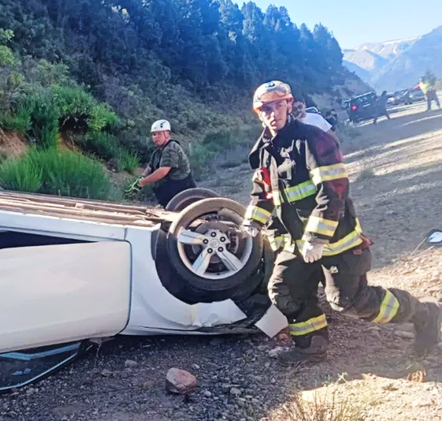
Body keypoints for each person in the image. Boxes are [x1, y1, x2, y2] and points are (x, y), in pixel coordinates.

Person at [242, 80, 442, 364]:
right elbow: (263, 192)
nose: (273, 113)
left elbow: (333, 189)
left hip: (334, 239)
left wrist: (318, 237)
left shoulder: (313, 140)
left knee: (349, 301)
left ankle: (425, 313)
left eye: (278, 105)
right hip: (296, 244)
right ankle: (311, 346)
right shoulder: (264, 150)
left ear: (289, 104)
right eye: (266, 108)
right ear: (258, 113)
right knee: (285, 289)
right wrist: (253, 221)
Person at [126, 120, 195, 207]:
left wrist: (143, 182)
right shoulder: (157, 152)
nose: (156, 137)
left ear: (166, 134)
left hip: (182, 195)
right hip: (170, 196)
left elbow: (162, 171)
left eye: (159, 134)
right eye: (154, 134)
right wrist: (141, 177)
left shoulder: (171, 148)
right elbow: (150, 167)